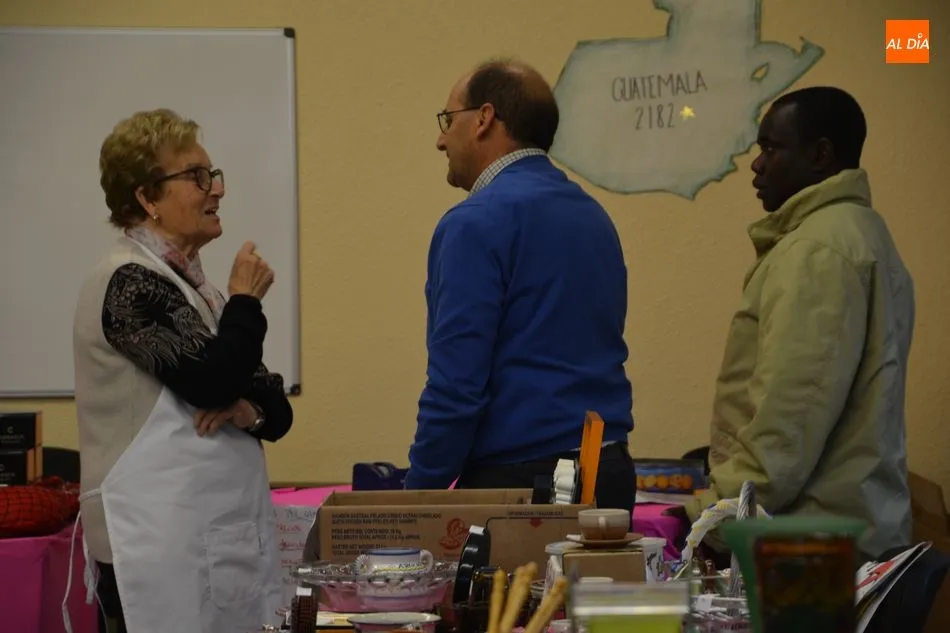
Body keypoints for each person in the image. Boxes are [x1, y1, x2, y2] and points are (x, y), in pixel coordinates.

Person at [72, 108, 293, 633]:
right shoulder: (130, 284)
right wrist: (245, 301)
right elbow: (213, 381)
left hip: (208, 541)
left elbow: (276, 408)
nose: (217, 189)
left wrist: (249, 410)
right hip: (155, 547)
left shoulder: (194, 289)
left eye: (212, 173)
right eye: (197, 176)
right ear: (148, 198)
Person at [678, 86, 914, 561]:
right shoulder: (862, 233)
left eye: (771, 148)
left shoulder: (817, 250)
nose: (756, 165)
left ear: (820, 155)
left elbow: (786, 427)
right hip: (847, 533)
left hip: (811, 549)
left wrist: (711, 522)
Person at [404, 59, 636, 513]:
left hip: (524, 486)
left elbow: (456, 388)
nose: (440, 140)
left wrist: (414, 499)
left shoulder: (474, 223)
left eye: (448, 120)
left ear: (484, 118)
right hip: (608, 470)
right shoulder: (593, 217)